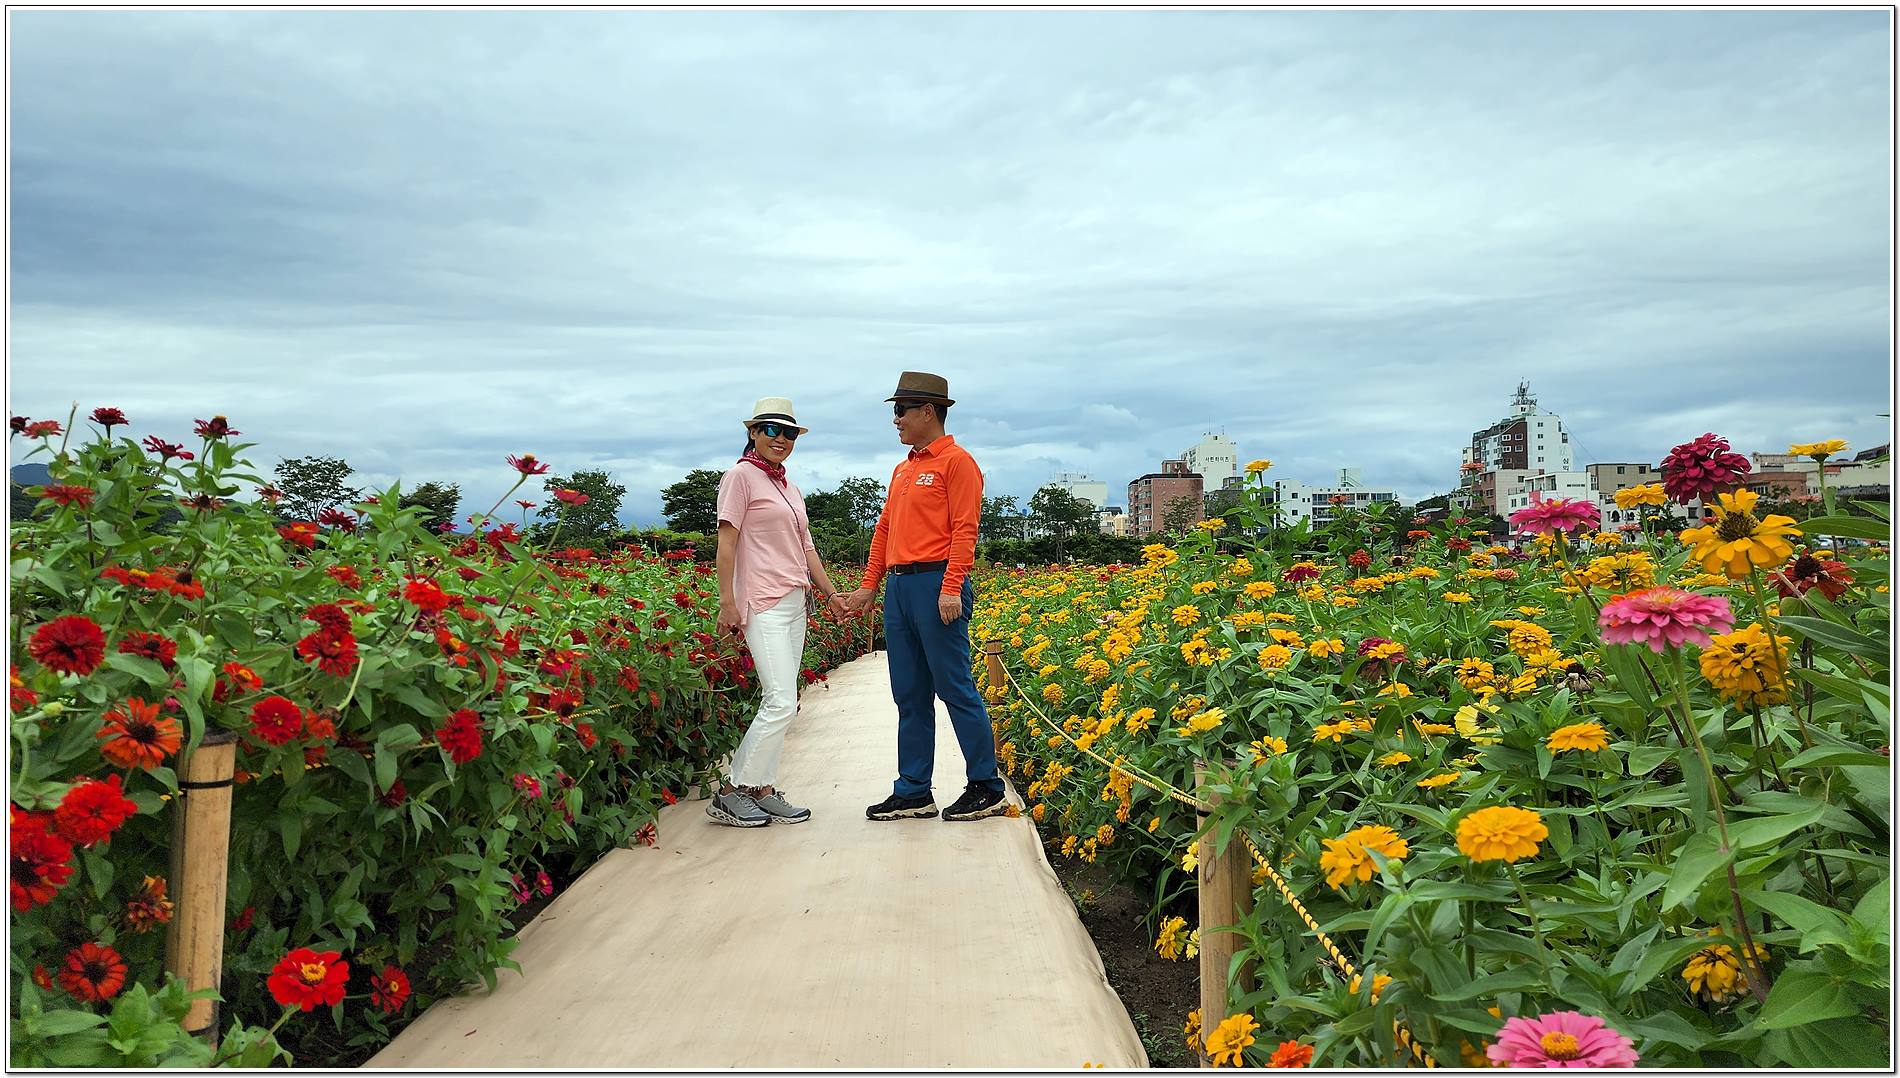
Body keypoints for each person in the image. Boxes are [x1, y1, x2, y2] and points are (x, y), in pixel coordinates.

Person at [841, 372, 1009, 822]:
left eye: (901, 410)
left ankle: (986, 786)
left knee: (955, 687)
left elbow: (965, 530)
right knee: (909, 693)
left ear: (927, 411)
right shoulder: (903, 469)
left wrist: (952, 587)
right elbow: (885, 530)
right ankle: (914, 790)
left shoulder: (958, 463)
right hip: (900, 588)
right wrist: (869, 585)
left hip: (936, 585)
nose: (895, 419)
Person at [709, 397, 851, 828]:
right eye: (772, 430)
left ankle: (763, 789)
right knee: (780, 701)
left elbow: (807, 548)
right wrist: (727, 602)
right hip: (762, 602)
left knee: (786, 700)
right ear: (753, 432)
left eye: (789, 433)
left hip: (795, 602)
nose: (781, 439)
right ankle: (732, 791)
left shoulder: (788, 486)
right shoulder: (740, 477)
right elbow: (727, 544)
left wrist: (831, 593)